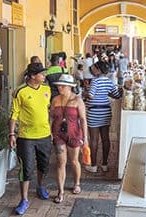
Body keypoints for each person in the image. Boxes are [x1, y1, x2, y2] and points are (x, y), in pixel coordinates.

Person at [9, 62, 52, 215]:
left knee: (44, 165)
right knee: (26, 169)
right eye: (42, 74)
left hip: (45, 136)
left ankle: (40, 186)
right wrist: (12, 134)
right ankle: (24, 200)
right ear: (33, 76)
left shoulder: (47, 90)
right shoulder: (19, 91)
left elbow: (49, 110)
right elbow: (14, 113)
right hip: (26, 137)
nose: (44, 76)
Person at [50, 74, 89, 203]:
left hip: (74, 135)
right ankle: (60, 191)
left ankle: (77, 183)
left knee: (73, 161)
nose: (60, 88)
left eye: (62, 86)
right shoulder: (55, 100)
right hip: (58, 134)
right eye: (59, 85)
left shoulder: (78, 100)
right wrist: (50, 132)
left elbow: (83, 120)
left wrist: (85, 138)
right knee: (61, 162)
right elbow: (51, 117)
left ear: (70, 87)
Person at [83, 61, 123, 173]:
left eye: (94, 67)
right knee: (105, 138)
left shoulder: (95, 81)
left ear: (98, 70)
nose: (93, 69)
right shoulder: (109, 82)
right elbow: (116, 95)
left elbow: (91, 96)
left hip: (94, 112)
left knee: (94, 139)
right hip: (105, 111)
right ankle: (105, 164)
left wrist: (85, 93)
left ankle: (94, 165)